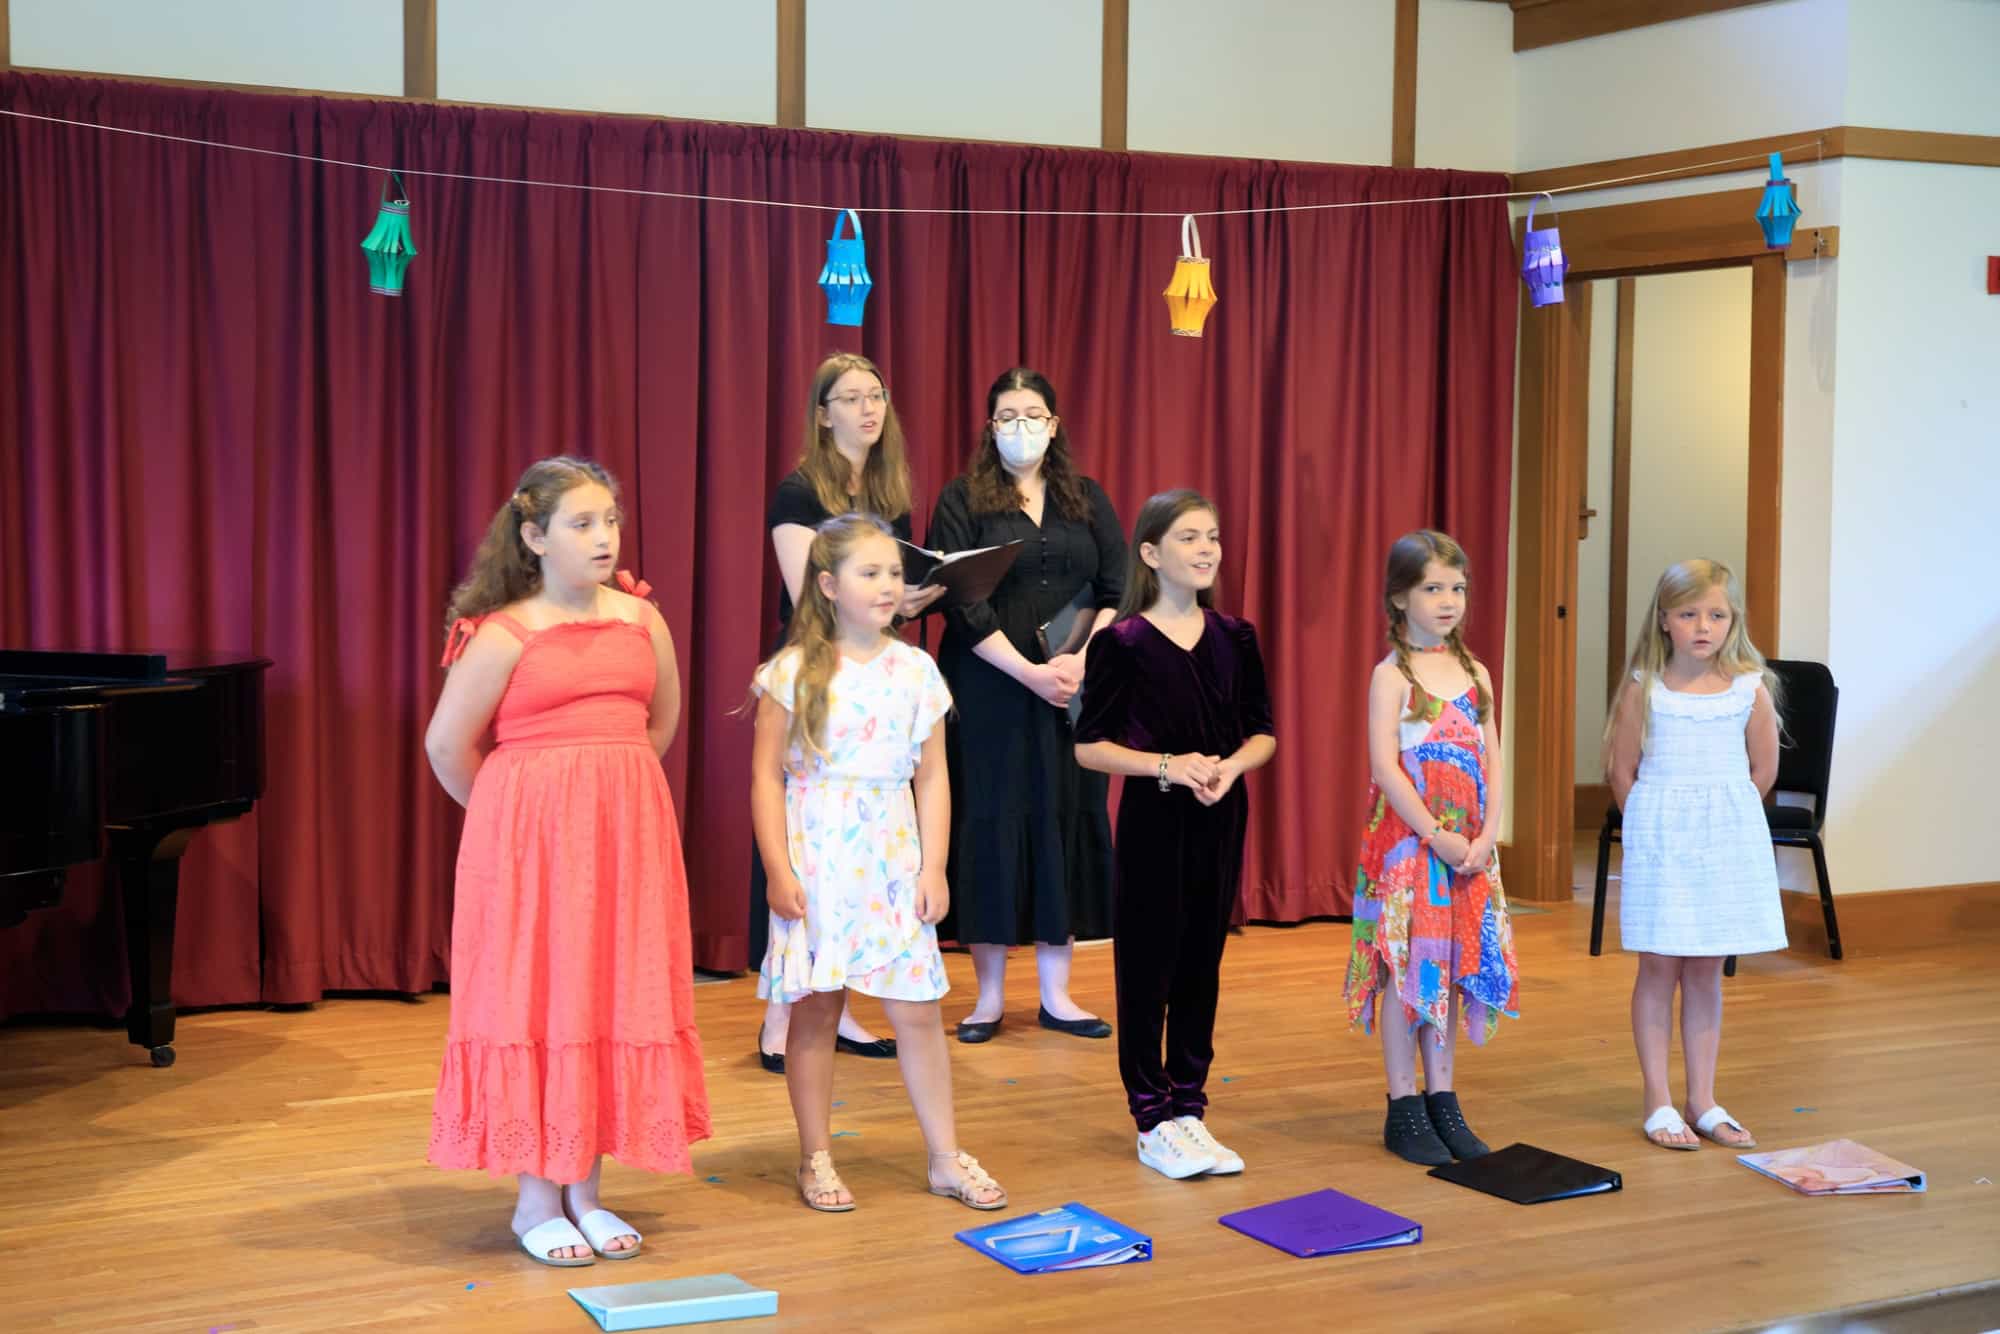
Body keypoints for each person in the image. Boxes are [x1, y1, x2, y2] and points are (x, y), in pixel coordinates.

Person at [425, 456, 709, 1265]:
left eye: (609, 521)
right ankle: (532, 1200)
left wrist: (608, 794)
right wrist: (515, 819)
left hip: (626, 837)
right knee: (536, 998)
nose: (602, 537)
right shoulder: (503, 631)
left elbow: (660, 723)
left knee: (608, 997)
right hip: (526, 845)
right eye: (582, 524)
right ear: (534, 536)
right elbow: (448, 746)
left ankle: (585, 1191)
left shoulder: (640, 618)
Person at [750, 513, 1006, 1213]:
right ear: (829, 585)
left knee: (918, 1009)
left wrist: (934, 867)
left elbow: (932, 777)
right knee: (816, 1010)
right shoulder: (793, 671)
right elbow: (767, 777)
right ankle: (816, 1158)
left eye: (895, 571)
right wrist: (779, 870)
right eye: (872, 572)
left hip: (893, 857)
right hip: (820, 859)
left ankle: (946, 1157)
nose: (890, 584)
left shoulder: (917, 670)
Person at [1074, 490, 1275, 1179]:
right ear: (1152, 553)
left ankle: (1190, 1106)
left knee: (1201, 962)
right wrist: (1166, 766)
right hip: (1155, 821)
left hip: (1221, 814)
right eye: (1190, 537)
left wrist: (1229, 767)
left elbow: (1263, 732)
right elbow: (1089, 746)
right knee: (1148, 965)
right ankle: (1151, 1114)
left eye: (1213, 536)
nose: (1207, 549)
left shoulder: (1236, 636)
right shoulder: (1121, 643)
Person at [754, 353, 944, 1073]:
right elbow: (809, 589)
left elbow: (884, 580)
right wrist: (877, 602)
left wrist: (912, 595)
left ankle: (847, 1006)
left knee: (864, 863)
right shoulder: (800, 491)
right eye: (852, 398)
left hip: (876, 660)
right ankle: (784, 1022)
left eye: (878, 397)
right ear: (823, 412)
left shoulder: (888, 488)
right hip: (821, 665)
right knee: (813, 854)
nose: (869, 409)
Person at [928, 367, 1125, 1043]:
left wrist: (1075, 662)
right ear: (990, 428)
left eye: (1032, 414)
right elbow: (959, 598)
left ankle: (1058, 995)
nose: (1021, 426)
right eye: (1007, 415)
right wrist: (1026, 673)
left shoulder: (1086, 499)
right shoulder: (960, 498)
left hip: (1073, 690)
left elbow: (1116, 587)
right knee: (991, 820)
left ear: (1054, 423)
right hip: (988, 688)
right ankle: (986, 998)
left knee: (1064, 817)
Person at [1343, 530, 1518, 1166]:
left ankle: (1444, 1099)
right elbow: (1385, 768)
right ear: (1398, 597)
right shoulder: (1393, 675)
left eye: (1458, 588)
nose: (1449, 600)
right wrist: (1437, 835)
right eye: (1432, 588)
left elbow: (1493, 758)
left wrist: (1487, 829)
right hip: (1411, 849)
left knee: (1448, 964)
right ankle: (1403, 1106)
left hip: (1467, 849)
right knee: (1407, 969)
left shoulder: (1475, 673)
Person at [1605, 558, 1785, 1151]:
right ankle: (1657, 1099)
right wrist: (1656, 825)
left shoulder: (1748, 689)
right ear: (1664, 621)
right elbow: (1621, 770)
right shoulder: (1645, 689)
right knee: (1659, 967)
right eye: (1688, 614)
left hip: (1723, 847)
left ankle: (1701, 1099)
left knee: (1706, 969)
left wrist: (1720, 823)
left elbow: (1761, 772)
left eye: (1716, 615)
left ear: (1733, 622)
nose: (1703, 626)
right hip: (1662, 843)